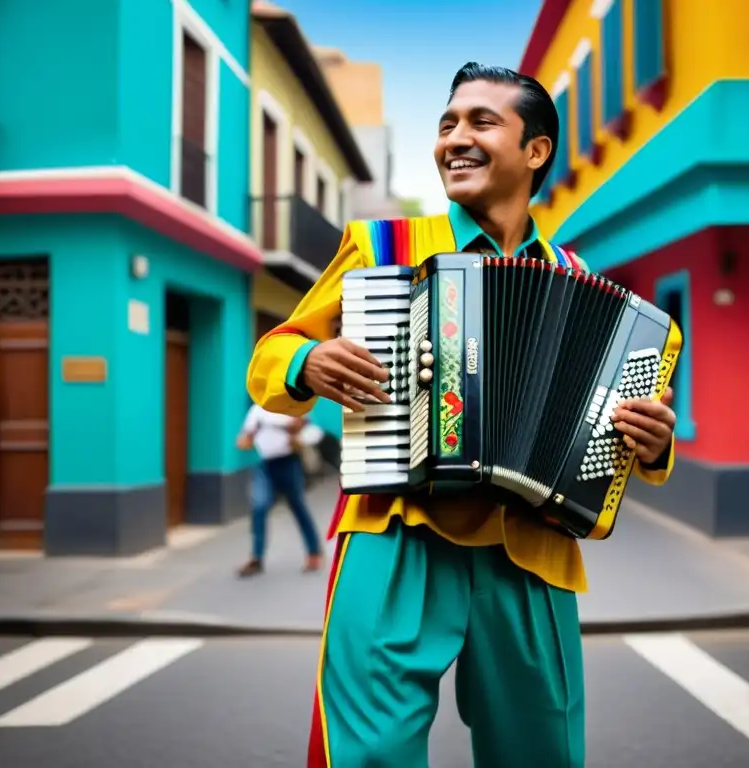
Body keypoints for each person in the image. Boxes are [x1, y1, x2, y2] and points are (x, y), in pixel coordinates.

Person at [247, 62, 678, 768]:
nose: (455, 138)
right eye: (447, 124)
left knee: (541, 755)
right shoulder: (383, 249)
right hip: (396, 537)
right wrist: (305, 364)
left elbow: (624, 441)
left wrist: (653, 442)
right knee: (367, 756)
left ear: (536, 151)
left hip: (530, 554)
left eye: (481, 121)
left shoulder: (578, 281)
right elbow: (271, 359)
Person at [235, 403, 324, 576]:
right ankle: (256, 558)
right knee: (259, 507)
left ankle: (314, 552)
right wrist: (247, 440)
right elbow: (245, 439)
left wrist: (295, 434)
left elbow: (311, 431)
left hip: (288, 463)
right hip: (266, 465)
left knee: (298, 507)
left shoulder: (293, 405)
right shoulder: (257, 411)